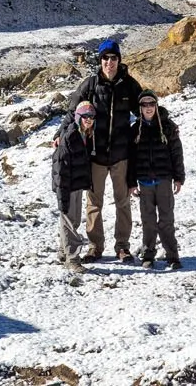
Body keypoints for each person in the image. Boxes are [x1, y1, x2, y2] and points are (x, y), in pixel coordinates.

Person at [66, 39, 142, 261]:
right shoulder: (90, 85)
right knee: (94, 203)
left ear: (119, 60)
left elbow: (145, 107)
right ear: (100, 61)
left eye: (114, 58)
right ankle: (95, 247)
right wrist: (60, 135)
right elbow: (73, 111)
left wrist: (163, 123)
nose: (110, 62)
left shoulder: (129, 85)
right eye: (105, 58)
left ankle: (122, 247)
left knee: (123, 202)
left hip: (121, 156)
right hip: (96, 155)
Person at [129, 89, 184, 269]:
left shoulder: (168, 126)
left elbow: (177, 153)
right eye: (144, 104)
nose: (148, 107)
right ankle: (148, 255)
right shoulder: (135, 129)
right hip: (144, 181)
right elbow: (130, 158)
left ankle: (172, 256)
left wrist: (179, 178)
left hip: (164, 180)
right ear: (140, 108)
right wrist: (131, 183)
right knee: (148, 221)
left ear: (156, 105)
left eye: (151, 103)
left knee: (167, 219)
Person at [51, 100, 97, 272]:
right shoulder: (70, 137)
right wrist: (62, 194)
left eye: (91, 116)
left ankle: (63, 251)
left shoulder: (85, 135)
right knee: (69, 220)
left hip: (76, 184)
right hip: (67, 185)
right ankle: (72, 259)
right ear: (78, 117)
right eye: (84, 116)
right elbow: (60, 169)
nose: (88, 119)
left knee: (73, 219)